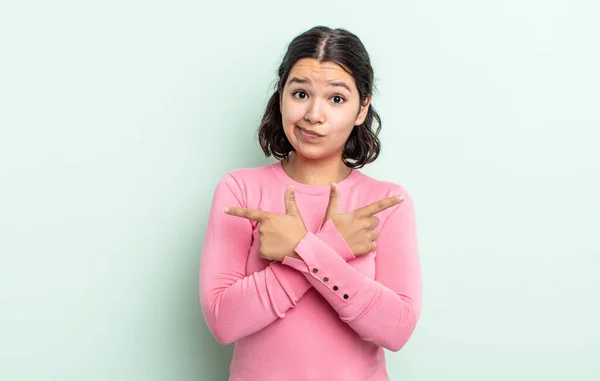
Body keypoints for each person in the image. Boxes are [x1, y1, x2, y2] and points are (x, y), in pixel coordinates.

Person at [199, 25, 422, 381]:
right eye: (300, 93)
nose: (313, 115)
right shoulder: (239, 190)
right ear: (281, 96)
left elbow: (397, 330)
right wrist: (331, 246)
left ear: (362, 107)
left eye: (336, 99)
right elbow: (224, 322)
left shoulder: (386, 203)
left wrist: (302, 249)